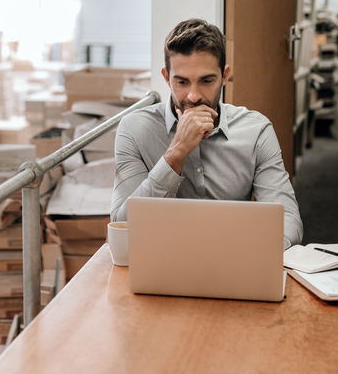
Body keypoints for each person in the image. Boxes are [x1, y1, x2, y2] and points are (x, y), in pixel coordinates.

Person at [110, 18, 303, 249]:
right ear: (166, 78)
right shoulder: (134, 129)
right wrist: (176, 152)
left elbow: (288, 222)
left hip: (235, 259)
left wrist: (252, 253)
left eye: (206, 81)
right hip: (162, 260)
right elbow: (124, 227)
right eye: (181, 82)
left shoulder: (256, 130)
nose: (193, 96)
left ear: (224, 76)